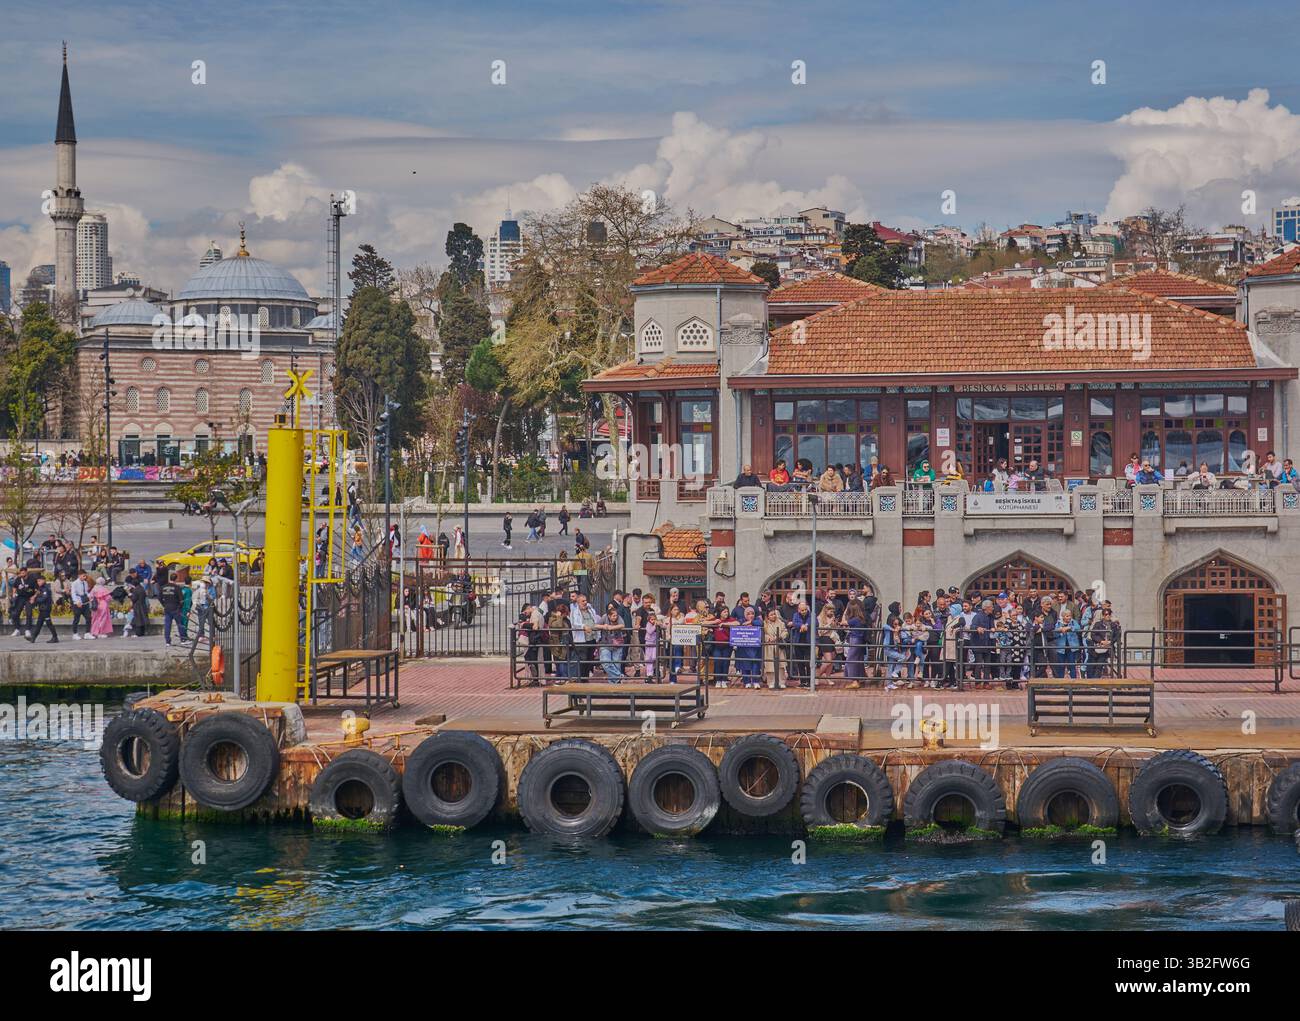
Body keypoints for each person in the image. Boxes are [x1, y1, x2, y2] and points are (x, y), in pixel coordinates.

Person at [27, 577, 57, 643]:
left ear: (44, 580)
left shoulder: (46, 588)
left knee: (48, 623)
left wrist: (35, 600)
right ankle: (33, 638)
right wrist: (34, 597)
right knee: (39, 624)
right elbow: (38, 595)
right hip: (42, 608)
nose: (38, 582)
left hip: (46, 608)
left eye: (40, 581)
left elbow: (44, 598)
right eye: (37, 581)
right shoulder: (41, 588)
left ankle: (55, 637)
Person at [69, 571, 92, 639]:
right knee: (76, 619)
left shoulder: (85, 583)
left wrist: (89, 596)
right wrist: (76, 601)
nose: (85, 577)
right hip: (78, 603)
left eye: (85, 576)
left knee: (88, 617)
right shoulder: (74, 583)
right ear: (79, 575)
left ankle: (87, 633)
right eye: (83, 576)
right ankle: (75, 634)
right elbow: (73, 593)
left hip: (85, 602)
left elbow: (86, 592)